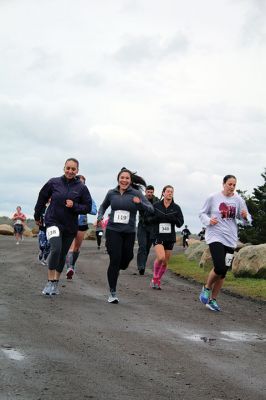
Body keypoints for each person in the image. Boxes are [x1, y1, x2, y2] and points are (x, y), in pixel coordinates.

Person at [34, 158, 92, 296]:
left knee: (62, 254)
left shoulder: (82, 188)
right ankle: (49, 281)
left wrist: (75, 206)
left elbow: (88, 207)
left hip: (70, 226)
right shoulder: (53, 182)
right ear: (64, 168)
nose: (70, 171)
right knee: (56, 248)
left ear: (77, 170)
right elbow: (42, 197)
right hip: (53, 221)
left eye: (73, 169)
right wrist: (37, 215)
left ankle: (55, 283)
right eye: (68, 168)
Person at [97, 167, 154, 304]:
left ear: (130, 180)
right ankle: (112, 292)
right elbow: (103, 206)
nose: (124, 180)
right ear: (118, 179)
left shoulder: (136, 194)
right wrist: (100, 216)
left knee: (127, 257)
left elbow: (150, 209)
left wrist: (140, 203)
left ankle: (121, 265)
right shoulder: (111, 193)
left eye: (127, 178)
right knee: (115, 260)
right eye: (122, 177)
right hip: (113, 230)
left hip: (129, 232)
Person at [199, 174, 251, 312]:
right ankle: (207, 287)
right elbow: (202, 213)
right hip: (215, 236)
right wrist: (209, 221)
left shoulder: (238, 200)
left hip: (230, 238)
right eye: (230, 184)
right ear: (223, 184)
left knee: (223, 273)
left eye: (234, 185)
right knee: (220, 266)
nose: (232, 187)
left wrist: (246, 217)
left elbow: (245, 218)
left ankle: (213, 300)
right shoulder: (213, 197)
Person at [150, 185, 184, 290]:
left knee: (165, 262)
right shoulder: (156, 206)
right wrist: (156, 218)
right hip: (157, 235)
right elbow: (148, 218)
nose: (170, 193)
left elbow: (180, 223)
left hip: (169, 237)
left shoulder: (176, 208)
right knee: (161, 257)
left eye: (171, 192)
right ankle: (155, 278)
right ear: (163, 193)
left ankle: (157, 280)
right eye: (168, 191)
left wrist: (173, 219)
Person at [65, 174, 97, 279]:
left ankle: (72, 265)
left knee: (77, 248)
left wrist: (80, 207)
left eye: (83, 182)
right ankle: (69, 268)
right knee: (71, 246)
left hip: (82, 223)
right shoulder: (69, 193)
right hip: (69, 222)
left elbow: (94, 210)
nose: (81, 184)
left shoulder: (87, 197)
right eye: (79, 181)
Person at [136, 185, 159, 275]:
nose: (149, 194)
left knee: (147, 248)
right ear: (145, 192)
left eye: (151, 192)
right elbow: (139, 208)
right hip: (142, 225)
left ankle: (143, 265)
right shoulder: (141, 199)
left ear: (153, 192)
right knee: (142, 246)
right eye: (148, 192)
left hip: (152, 227)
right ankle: (141, 266)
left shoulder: (157, 201)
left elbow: (157, 212)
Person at [38, 199, 51, 265]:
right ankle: (41, 252)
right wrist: (38, 220)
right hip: (42, 229)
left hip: (51, 229)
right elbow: (37, 214)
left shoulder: (54, 207)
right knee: (42, 245)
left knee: (49, 245)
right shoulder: (42, 206)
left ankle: (45, 259)